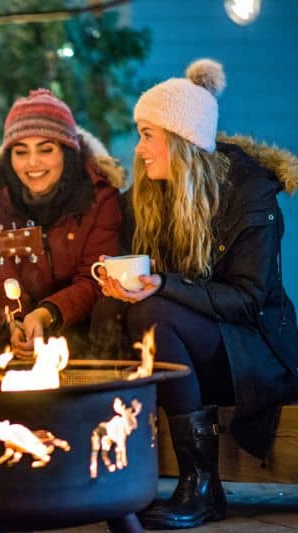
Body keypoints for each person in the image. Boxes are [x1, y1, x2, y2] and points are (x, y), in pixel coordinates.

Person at [100, 59, 298, 529]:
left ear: (182, 138)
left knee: (157, 311)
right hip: (182, 351)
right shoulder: (148, 198)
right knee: (145, 310)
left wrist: (165, 285)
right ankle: (161, 481)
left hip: (253, 353)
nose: (140, 148)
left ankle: (202, 486)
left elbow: (249, 300)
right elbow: (137, 271)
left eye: (149, 134)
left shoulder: (249, 196)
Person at [0, 89, 123, 357]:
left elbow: (96, 277)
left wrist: (48, 314)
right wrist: (14, 323)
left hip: (87, 328)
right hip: (23, 330)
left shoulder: (100, 198)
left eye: (46, 150)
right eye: (21, 152)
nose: (32, 163)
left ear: (67, 153)